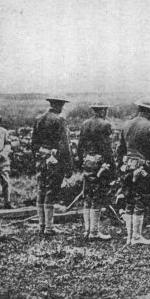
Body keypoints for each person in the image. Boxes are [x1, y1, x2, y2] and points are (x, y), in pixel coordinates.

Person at [117, 99, 150, 245]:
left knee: (129, 201)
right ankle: (136, 236)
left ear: (139, 109)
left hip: (127, 168)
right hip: (143, 169)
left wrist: (120, 167)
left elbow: (120, 150)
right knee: (141, 201)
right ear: (149, 111)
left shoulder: (126, 125)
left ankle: (130, 236)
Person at [31, 96, 73, 235]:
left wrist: (38, 159)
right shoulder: (59, 120)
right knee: (51, 191)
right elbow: (64, 145)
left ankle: (42, 225)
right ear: (59, 105)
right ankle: (49, 227)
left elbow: (33, 144)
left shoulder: (39, 119)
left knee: (41, 190)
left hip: (41, 159)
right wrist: (68, 166)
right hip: (54, 160)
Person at [78, 103, 116, 240]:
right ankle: (94, 232)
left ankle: (88, 230)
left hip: (87, 161)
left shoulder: (85, 124)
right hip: (100, 163)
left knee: (87, 196)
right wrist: (112, 167)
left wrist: (81, 162)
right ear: (103, 110)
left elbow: (79, 145)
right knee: (97, 197)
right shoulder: (105, 125)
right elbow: (108, 149)